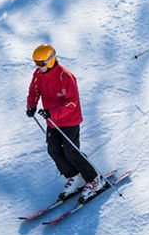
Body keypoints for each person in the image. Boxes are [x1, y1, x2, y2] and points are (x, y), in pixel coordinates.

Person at [26, 44, 102, 201]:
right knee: (53, 150)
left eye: (41, 63)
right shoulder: (38, 74)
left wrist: (52, 113)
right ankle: (75, 177)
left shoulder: (65, 76)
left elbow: (72, 103)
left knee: (71, 151)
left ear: (51, 60)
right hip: (52, 122)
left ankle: (94, 179)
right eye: (36, 63)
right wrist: (31, 105)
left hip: (69, 120)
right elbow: (34, 91)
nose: (38, 67)